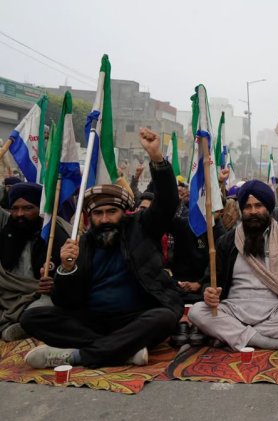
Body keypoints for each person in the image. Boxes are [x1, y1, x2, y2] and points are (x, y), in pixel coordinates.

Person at [21, 128, 182, 368]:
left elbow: (167, 202)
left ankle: (78, 356)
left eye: (111, 212)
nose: (105, 219)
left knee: (165, 317)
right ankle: (124, 351)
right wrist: (66, 269)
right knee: (32, 317)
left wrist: (157, 159)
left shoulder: (140, 227)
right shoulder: (80, 244)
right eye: (98, 213)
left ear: (123, 212)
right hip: (91, 320)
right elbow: (65, 301)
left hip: (136, 316)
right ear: (90, 218)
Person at [188, 180, 278, 351]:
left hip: (276, 309)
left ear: (268, 208)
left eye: (258, 206)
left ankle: (233, 336)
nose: (253, 212)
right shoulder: (227, 241)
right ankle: (264, 340)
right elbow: (211, 279)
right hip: (234, 309)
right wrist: (208, 292)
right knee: (197, 311)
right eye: (248, 207)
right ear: (242, 210)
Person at [0, 183, 70, 341]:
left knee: (43, 308)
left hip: (40, 297)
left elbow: (74, 275)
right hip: (8, 297)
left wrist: (56, 283)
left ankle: (24, 325)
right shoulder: (6, 232)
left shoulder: (56, 235)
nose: (19, 214)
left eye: (27, 208)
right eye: (14, 208)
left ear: (40, 209)